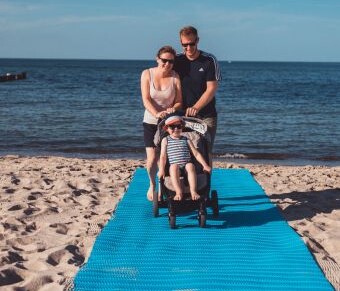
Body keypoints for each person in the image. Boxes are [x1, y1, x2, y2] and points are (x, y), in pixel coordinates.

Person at [174, 26, 222, 164]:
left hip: (206, 115)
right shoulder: (177, 60)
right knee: (182, 152)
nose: (188, 48)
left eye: (191, 44)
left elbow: (211, 89)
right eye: (184, 45)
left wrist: (196, 107)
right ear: (181, 43)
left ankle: (205, 185)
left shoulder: (209, 60)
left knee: (205, 153)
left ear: (197, 41)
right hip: (182, 115)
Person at [141, 46, 183, 201]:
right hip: (151, 121)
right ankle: (152, 185)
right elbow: (146, 99)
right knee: (152, 158)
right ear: (157, 59)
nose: (167, 64)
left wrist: (173, 108)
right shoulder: (147, 74)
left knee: (164, 158)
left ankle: (163, 187)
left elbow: (179, 101)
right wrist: (156, 113)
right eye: (164, 60)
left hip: (169, 123)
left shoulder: (175, 77)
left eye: (171, 61)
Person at [158, 115, 211, 201]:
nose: (176, 129)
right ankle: (178, 192)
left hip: (186, 165)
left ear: (182, 127)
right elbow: (163, 156)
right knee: (173, 167)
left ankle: (193, 191)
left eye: (178, 126)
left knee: (190, 165)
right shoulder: (166, 140)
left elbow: (196, 153)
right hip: (175, 167)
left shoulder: (186, 139)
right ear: (167, 128)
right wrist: (161, 169)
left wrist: (205, 165)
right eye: (172, 127)